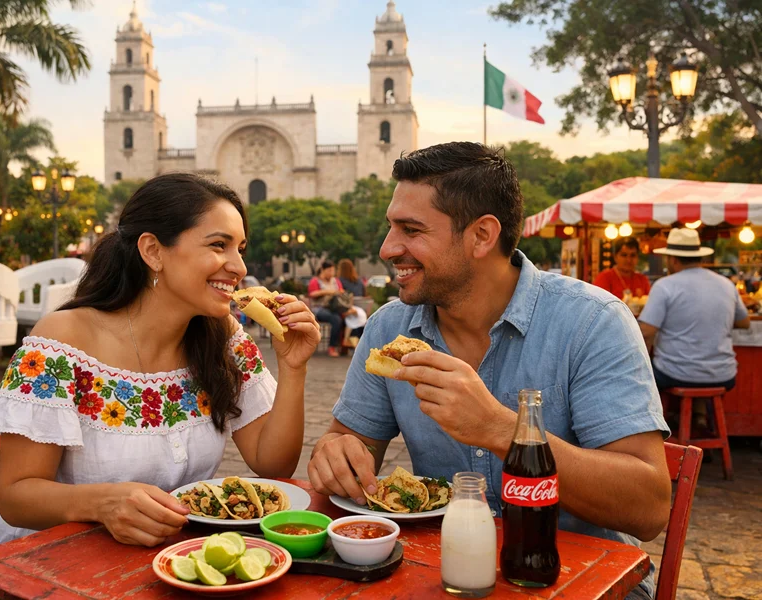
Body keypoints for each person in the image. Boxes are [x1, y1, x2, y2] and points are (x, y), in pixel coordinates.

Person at [308, 142, 670, 600]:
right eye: (390, 228)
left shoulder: (591, 322)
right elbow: (348, 443)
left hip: (582, 580)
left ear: (482, 235)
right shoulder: (387, 330)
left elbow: (649, 507)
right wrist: (338, 456)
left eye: (411, 230)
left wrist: (501, 429)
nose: (388, 248)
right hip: (444, 573)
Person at [0, 173, 320, 548]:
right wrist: (103, 503)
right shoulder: (61, 342)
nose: (239, 266)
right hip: (54, 560)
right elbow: (16, 498)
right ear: (153, 251)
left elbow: (273, 465)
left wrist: (293, 367)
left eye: (241, 247)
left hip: (166, 557)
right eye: (219, 245)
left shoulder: (222, 337)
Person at [638, 228, 750, 428]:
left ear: (672, 259)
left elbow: (646, 331)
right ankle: (699, 420)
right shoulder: (726, 284)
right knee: (696, 370)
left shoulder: (665, 286)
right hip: (723, 375)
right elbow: (744, 322)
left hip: (674, 373)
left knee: (649, 374)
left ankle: (670, 423)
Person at [308, 260, 346, 357]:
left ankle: (344, 346)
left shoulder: (336, 281)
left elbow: (341, 291)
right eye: (329, 271)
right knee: (336, 319)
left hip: (334, 307)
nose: (331, 273)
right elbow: (312, 294)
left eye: (333, 271)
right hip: (319, 308)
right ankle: (332, 347)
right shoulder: (315, 281)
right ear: (323, 270)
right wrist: (327, 292)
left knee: (344, 318)